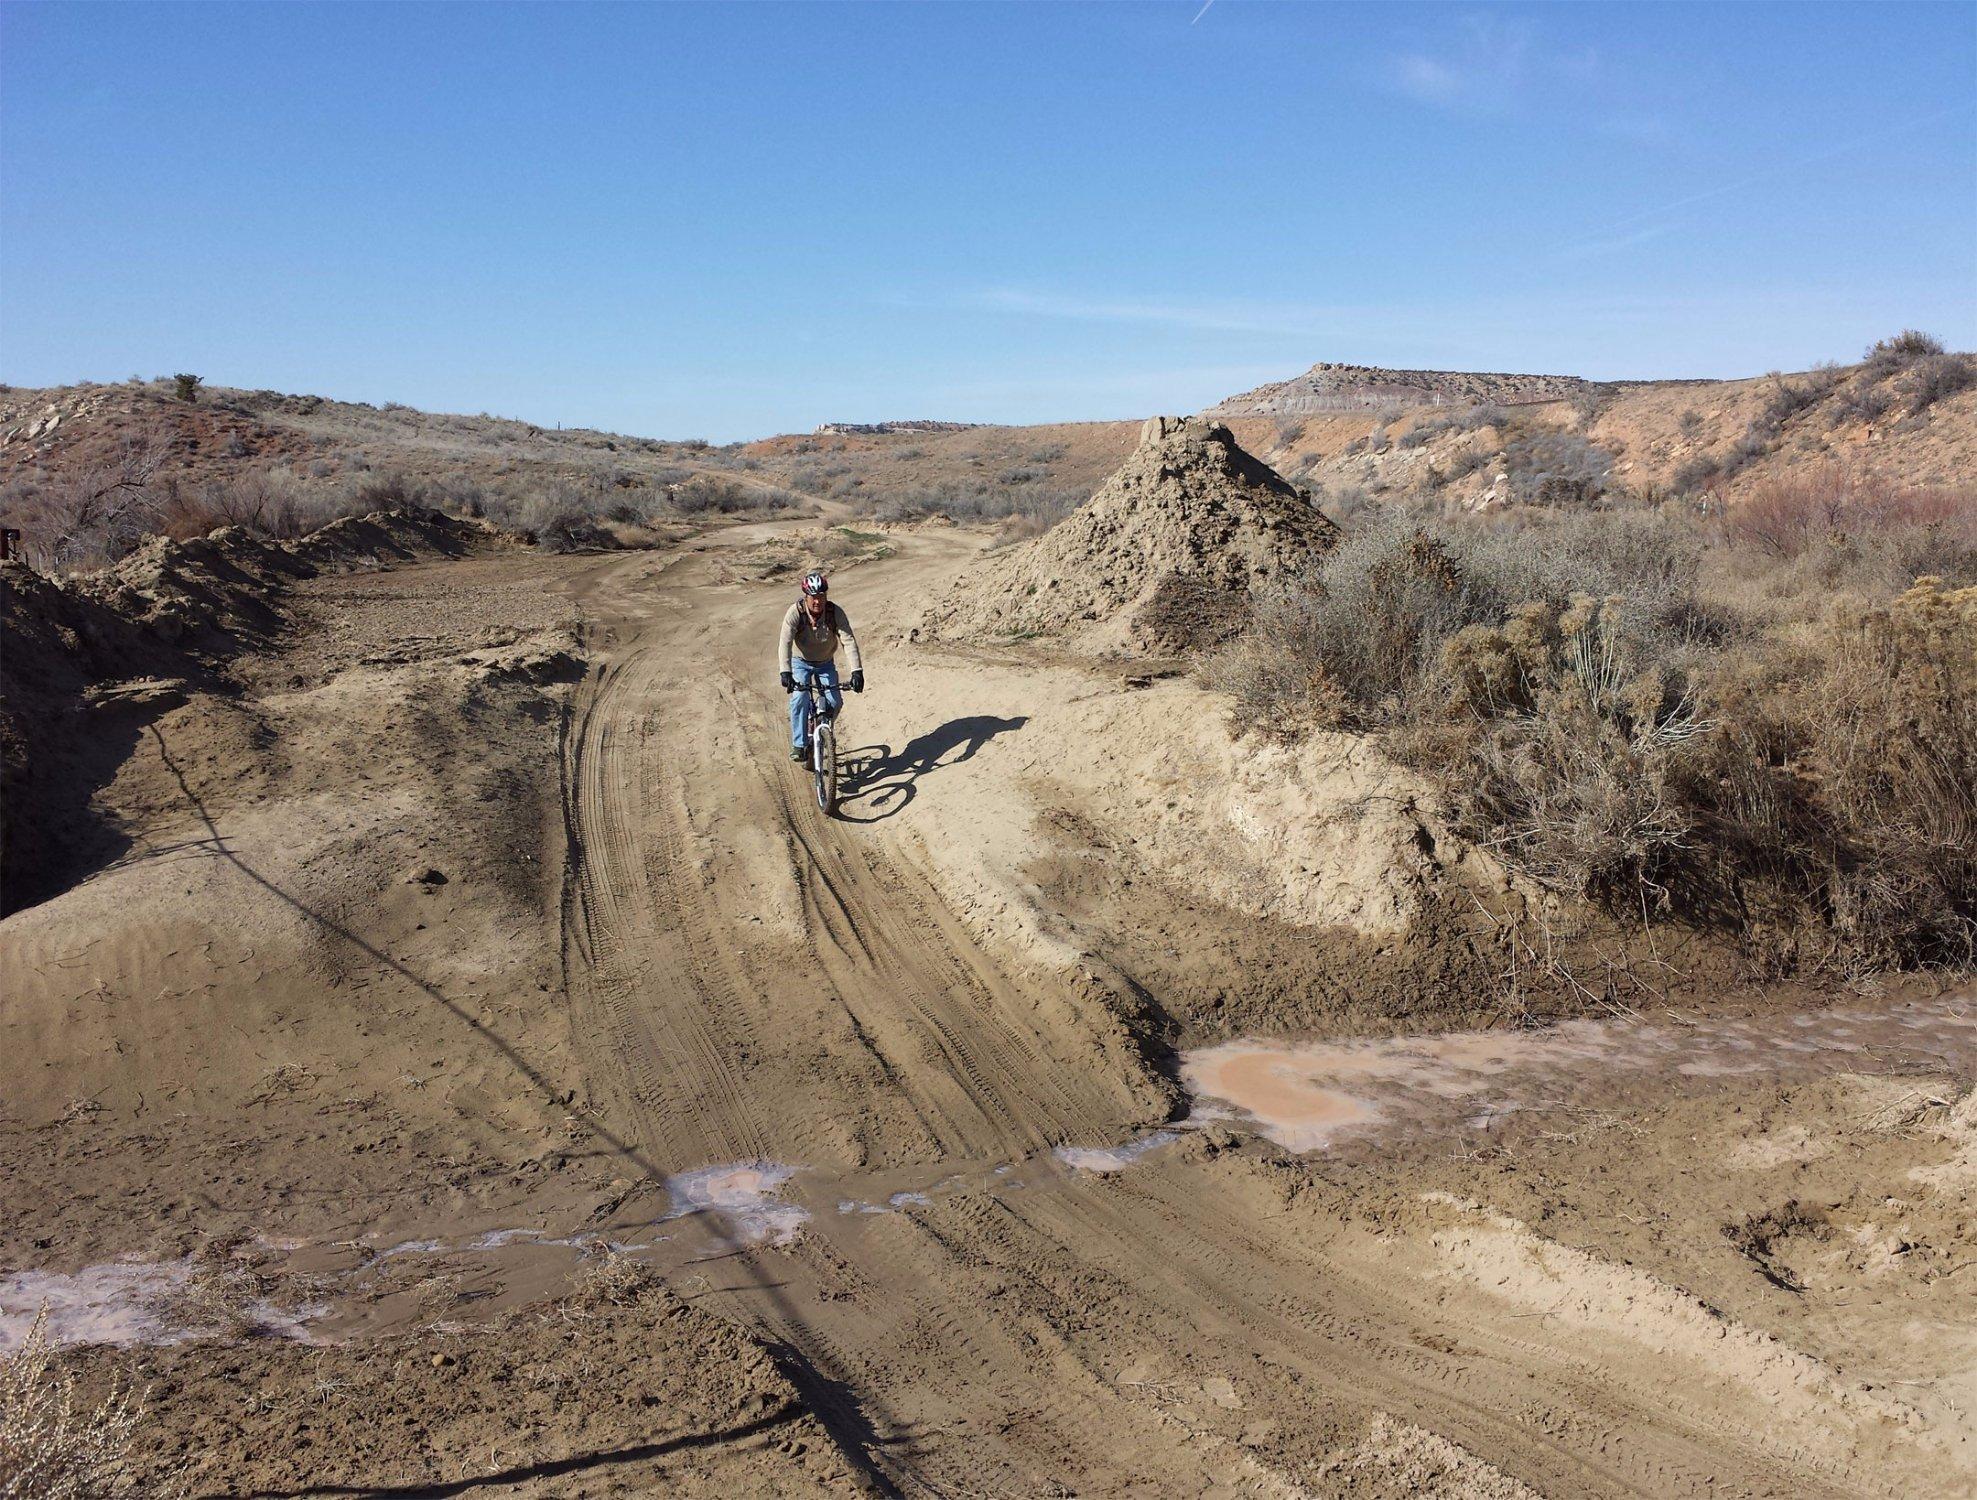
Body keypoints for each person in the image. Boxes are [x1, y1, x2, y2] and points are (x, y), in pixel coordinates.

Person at [778, 571, 863, 760]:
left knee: (835, 702)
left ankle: (823, 729)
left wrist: (857, 671)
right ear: (806, 596)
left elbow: (848, 640)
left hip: (825, 663)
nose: (818, 601)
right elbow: (785, 642)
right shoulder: (796, 613)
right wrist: (785, 671)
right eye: (813, 597)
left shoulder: (834, 613)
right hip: (801, 662)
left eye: (821, 596)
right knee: (799, 698)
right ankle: (799, 745)